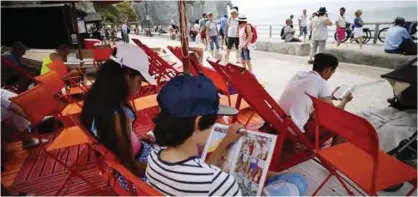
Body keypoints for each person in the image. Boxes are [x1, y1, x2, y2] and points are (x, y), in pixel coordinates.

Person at [146, 74, 242, 196]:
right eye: (213, 120)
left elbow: (197, 176)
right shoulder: (220, 184)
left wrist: (225, 143)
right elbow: (207, 180)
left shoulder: (154, 158)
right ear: (198, 122)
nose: (214, 125)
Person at [81, 43, 158, 190]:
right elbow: (132, 168)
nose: (139, 86)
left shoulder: (97, 99)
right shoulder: (116, 114)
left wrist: (136, 139)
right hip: (132, 174)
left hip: (133, 155)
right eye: (139, 81)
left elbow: (115, 141)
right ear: (127, 74)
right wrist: (162, 169)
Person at [279, 53, 353, 144]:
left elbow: (305, 97)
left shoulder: (299, 75)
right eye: (332, 72)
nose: (330, 76)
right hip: (294, 129)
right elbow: (334, 113)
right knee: (342, 122)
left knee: (316, 113)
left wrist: (329, 96)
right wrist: (345, 101)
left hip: (279, 121)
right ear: (328, 69)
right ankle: (335, 154)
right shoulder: (321, 82)